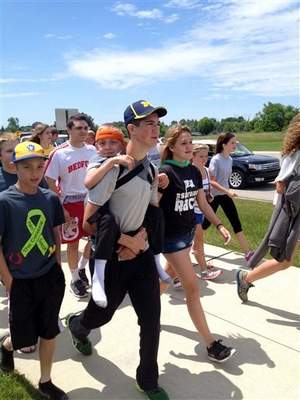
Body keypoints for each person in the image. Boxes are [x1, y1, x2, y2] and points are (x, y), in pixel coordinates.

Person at [66, 100, 170, 400]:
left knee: (151, 321)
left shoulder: (150, 169)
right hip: (113, 258)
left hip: (141, 259)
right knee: (102, 316)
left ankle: (147, 380)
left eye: (157, 123)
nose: (155, 128)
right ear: (132, 129)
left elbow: (151, 213)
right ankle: (77, 325)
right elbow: (88, 223)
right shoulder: (111, 168)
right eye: (147, 123)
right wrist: (127, 242)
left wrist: (142, 242)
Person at [159, 124, 235, 362]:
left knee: (167, 275)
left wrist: (220, 224)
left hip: (188, 233)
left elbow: (202, 203)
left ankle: (147, 306)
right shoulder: (165, 173)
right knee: (192, 287)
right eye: (183, 143)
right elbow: (151, 207)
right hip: (171, 239)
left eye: (190, 142)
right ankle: (211, 345)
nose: (189, 146)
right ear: (171, 147)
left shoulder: (194, 171)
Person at [0, 142, 67, 400]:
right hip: (20, 280)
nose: (34, 172)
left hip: (49, 275)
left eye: (40, 166)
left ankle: (45, 380)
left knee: (49, 330)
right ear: (13, 167)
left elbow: (54, 231)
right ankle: (6, 347)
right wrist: (9, 280)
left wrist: (58, 267)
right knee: (22, 338)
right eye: (27, 167)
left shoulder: (49, 197)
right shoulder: (5, 202)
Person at [84, 124, 171, 307]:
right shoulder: (98, 159)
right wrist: (110, 163)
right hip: (102, 212)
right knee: (107, 222)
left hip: (128, 229)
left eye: (112, 142)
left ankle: (156, 260)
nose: (106, 147)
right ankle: (98, 275)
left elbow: (151, 201)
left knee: (156, 214)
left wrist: (160, 180)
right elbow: (88, 182)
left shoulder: (144, 167)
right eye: (102, 143)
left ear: (121, 145)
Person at [236, 114, 300, 302]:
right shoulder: (296, 152)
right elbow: (281, 184)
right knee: (285, 261)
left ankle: (246, 278)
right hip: (291, 211)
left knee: (285, 261)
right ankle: (245, 278)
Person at [45, 114, 96, 298]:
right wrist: (60, 205)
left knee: (93, 239)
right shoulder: (59, 153)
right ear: (68, 130)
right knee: (73, 243)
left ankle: (82, 268)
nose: (83, 131)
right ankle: (75, 279)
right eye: (78, 128)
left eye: (85, 128)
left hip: (90, 201)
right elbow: (49, 179)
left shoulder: (92, 150)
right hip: (70, 203)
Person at [202, 132, 253, 261]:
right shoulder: (216, 159)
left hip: (225, 194)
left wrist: (227, 191)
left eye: (235, 143)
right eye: (232, 143)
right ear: (224, 145)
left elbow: (224, 179)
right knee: (205, 225)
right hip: (213, 196)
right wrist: (227, 191)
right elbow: (212, 181)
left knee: (236, 222)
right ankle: (193, 246)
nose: (235, 145)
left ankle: (248, 252)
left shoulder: (230, 159)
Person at [191, 144, 222, 280]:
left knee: (191, 243)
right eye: (201, 156)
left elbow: (206, 191)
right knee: (198, 240)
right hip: (190, 212)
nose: (205, 159)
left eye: (206, 156)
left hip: (201, 211)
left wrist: (209, 195)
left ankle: (175, 273)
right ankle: (204, 271)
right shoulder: (190, 171)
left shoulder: (207, 171)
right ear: (193, 156)